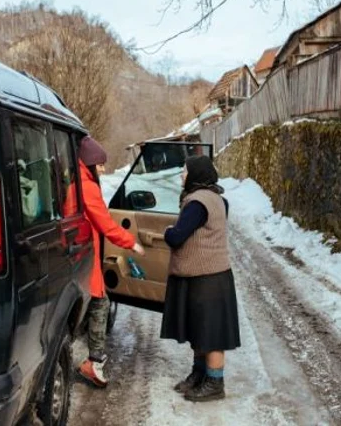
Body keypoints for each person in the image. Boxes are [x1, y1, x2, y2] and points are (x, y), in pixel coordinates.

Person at [160, 155, 241, 402]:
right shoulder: (218, 198)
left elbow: (177, 237)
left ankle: (215, 382)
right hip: (209, 276)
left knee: (211, 333)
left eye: (184, 171)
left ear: (195, 174)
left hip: (207, 279)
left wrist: (167, 232)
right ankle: (200, 374)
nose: (182, 175)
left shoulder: (197, 203)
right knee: (200, 329)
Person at [76, 136, 145, 388]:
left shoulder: (75, 179)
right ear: (90, 163)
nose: (103, 169)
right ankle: (93, 363)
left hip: (79, 250)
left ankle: (91, 359)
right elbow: (104, 222)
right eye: (100, 164)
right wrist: (131, 242)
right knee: (100, 302)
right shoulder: (87, 185)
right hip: (84, 253)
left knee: (95, 300)